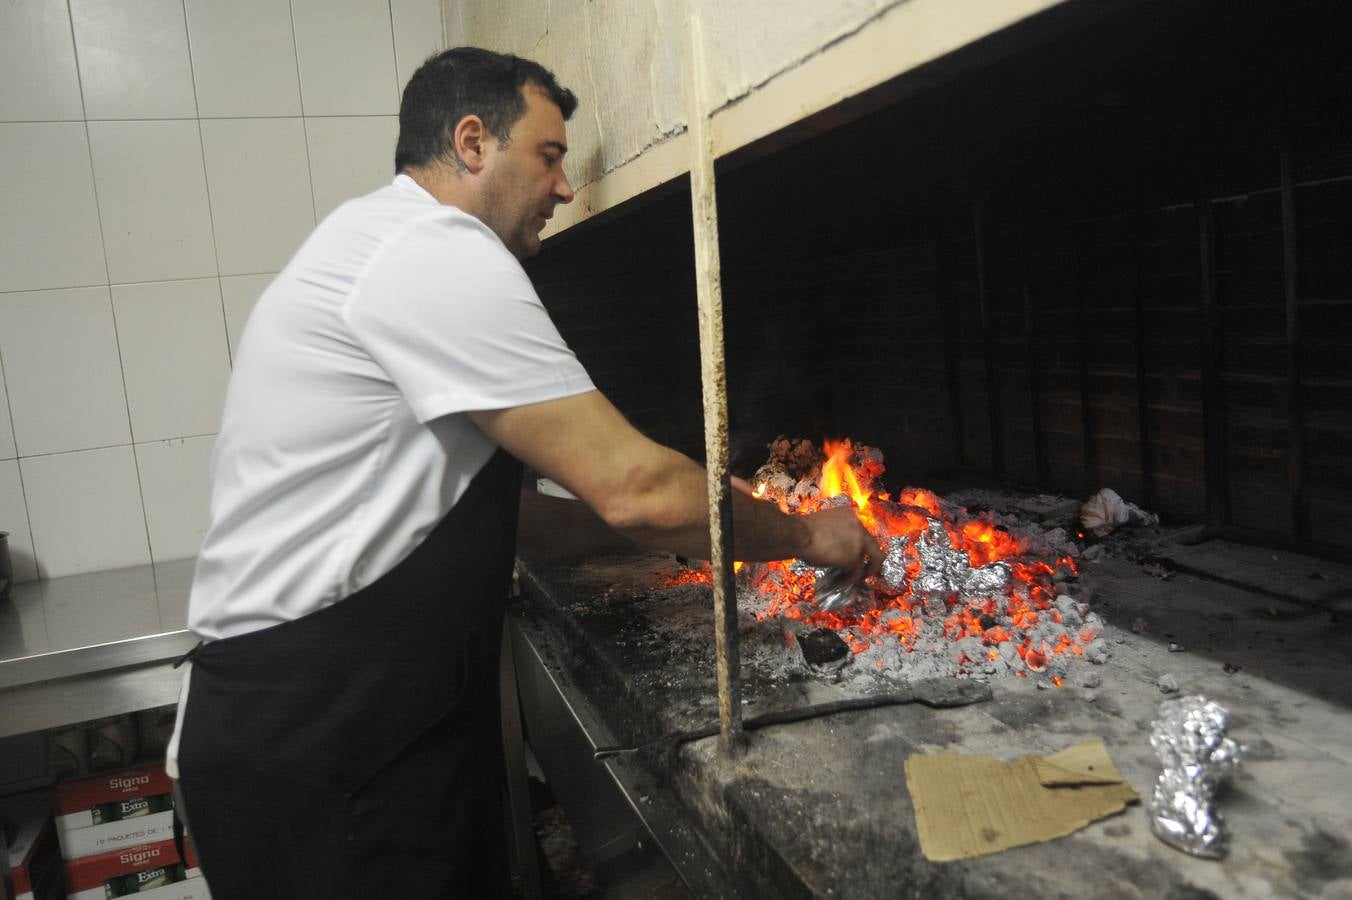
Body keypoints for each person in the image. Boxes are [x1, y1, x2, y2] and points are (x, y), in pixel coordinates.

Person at [167, 47, 881, 898]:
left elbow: (525, 517)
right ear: (473, 142)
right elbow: (636, 487)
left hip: (341, 725)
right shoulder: (431, 253)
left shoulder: (377, 244)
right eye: (549, 155)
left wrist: (674, 537)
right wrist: (805, 534)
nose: (567, 187)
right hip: (327, 750)